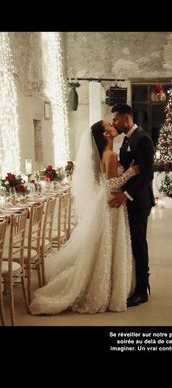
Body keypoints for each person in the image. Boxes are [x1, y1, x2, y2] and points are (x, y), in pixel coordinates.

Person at [30, 120, 137, 315]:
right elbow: (113, 183)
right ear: (106, 135)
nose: (113, 125)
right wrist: (131, 171)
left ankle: (106, 283)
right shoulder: (110, 155)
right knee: (108, 246)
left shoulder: (105, 154)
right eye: (109, 126)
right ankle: (105, 287)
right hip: (112, 201)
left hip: (105, 201)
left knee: (103, 247)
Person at [110, 104, 155, 307]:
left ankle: (142, 291)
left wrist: (125, 195)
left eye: (116, 120)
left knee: (139, 243)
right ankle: (139, 285)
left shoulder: (142, 138)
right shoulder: (129, 138)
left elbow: (147, 174)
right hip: (131, 200)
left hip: (139, 201)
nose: (113, 123)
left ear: (126, 118)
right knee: (133, 243)